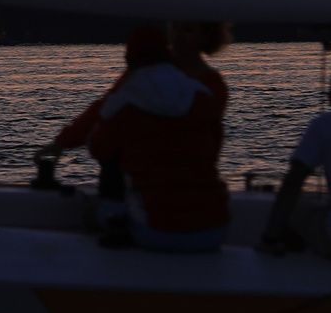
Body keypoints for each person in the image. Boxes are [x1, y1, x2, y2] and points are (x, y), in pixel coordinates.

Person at [86, 26, 232, 252]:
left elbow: (99, 150)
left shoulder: (123, 102)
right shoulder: (203, 95)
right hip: (215, 230)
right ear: (167, 55)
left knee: (95, 209)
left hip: (157, 232)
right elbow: (213, 150)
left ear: (128, 60)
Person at [43, 26, 174, 239]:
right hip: (206, 225)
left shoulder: (127, 94)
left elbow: (100, 143)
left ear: (131, 58)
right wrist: (63, 141)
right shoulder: (195, 90)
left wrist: (65, 142)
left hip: (150, 220)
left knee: (92, 213)